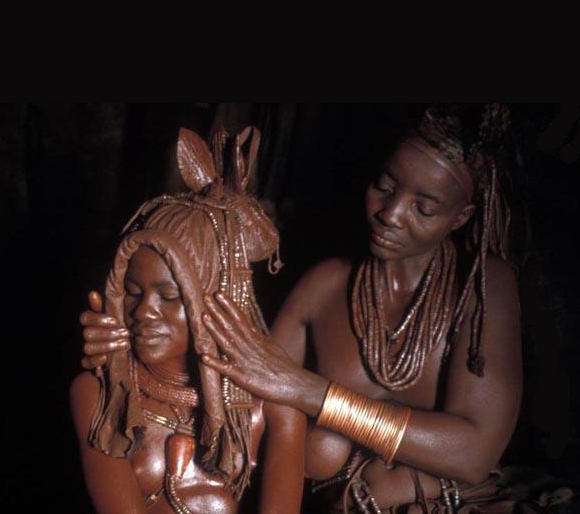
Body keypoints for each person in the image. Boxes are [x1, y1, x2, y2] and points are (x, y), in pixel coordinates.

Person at [82, 105, 530, 513]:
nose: (391, 214)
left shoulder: (483, 287)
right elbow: (238, 389)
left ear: (463, 214)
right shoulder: (323, 286)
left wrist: (309, 391)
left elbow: (473, 456)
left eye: (424, 207)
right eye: (384, 187)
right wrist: (121, 356)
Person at [70, 127, 305, 514]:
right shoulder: (99, 394)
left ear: (221, 300)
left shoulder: (274, 409)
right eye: (132, 291)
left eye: (170, 296)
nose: (143, 311)